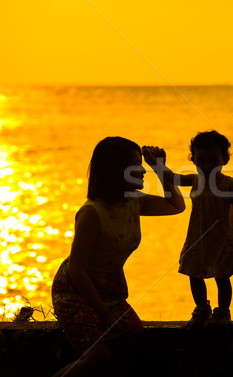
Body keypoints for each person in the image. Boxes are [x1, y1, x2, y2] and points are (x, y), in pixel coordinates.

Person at [51, 137, 185, 376]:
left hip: (110, 290)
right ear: (118, 171)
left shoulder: (134, 202)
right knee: (98, 357)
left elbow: (176, 205)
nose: (143, 170)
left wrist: (160, 168)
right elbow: (77, 271)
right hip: (77, 291)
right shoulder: (92, 213)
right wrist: (104, 312)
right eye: (137, 164)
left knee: (134, 335)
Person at [174, 130, 233, 327]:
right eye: (201, 160)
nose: (207, 165)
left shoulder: (227, 183)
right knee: (194, 273)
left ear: (224, 160)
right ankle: (202, 308)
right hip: (197, 238)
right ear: (193, 160)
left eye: (213, 159)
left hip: (222, 240)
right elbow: (172, 178)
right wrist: (156, 164)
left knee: (222, 277)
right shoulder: (195, 180)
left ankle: (222, 311)